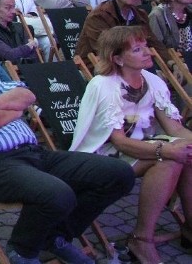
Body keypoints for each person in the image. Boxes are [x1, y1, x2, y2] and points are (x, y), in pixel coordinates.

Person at [0, 29, 135, 264]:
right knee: (58, 194)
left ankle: (56, 235)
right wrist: (10, 111)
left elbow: (27, 95)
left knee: (119, 174)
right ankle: (23, 249)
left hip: (34, 154)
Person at [70, 26, 192, 263]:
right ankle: (141, 239)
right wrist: (165, 149)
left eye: (145, 46)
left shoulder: (152, 80)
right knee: (170, 159)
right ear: (117, 58)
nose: (148, 52)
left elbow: (175, 129)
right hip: (102, 156)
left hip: (141, 147)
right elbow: (119, 141)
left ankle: (190, 228)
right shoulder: (104, 85)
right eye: (138, 49)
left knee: (186, 152)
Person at [75, 0, 169, 64]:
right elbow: (106, 50)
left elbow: (154, 43)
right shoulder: (99, 16)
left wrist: (171, 63)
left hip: (133, 63)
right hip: (99, 65)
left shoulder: (140, 15)